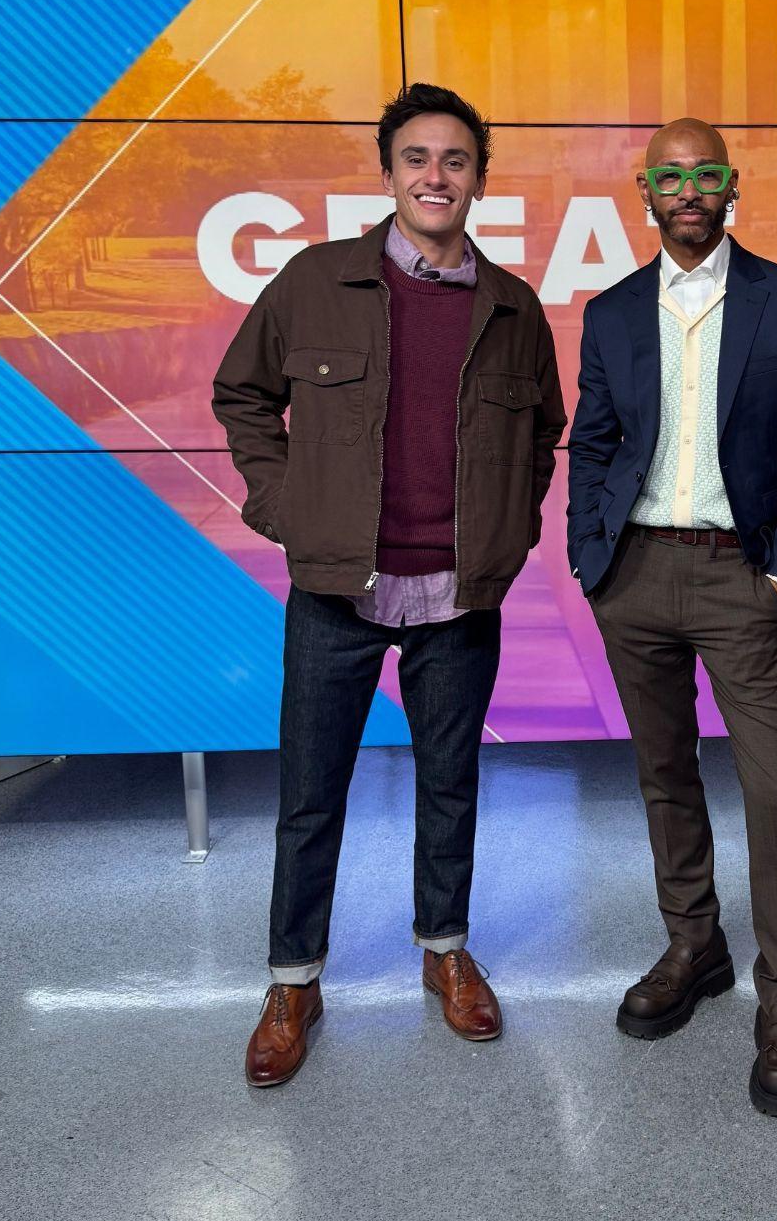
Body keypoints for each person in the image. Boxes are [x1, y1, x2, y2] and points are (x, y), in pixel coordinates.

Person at [214, 82, 565, 1086]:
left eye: (455, 159)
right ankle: (294, 980)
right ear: (388, 173)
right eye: (417, 157)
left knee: (450, 783)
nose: (435, 176)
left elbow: (544, 430)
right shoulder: (314, 280)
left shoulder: (513, 307)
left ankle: (444, 949)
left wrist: (509, 526)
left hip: (460, 593)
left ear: (479, 179)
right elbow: (242, 394)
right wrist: (288, 506)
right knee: (310, 793)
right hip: (340, 588)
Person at [567, 118, 777, 1118]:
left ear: (734, 185)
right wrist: (589, 558)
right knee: (664, 772)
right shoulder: (611, 312)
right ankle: (694, 943)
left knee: (775, 788)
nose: (689, 189)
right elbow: (592, 442)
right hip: (634, 573)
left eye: (707, 173)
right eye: (670, 175)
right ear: (644, 191)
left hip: (740, 577)